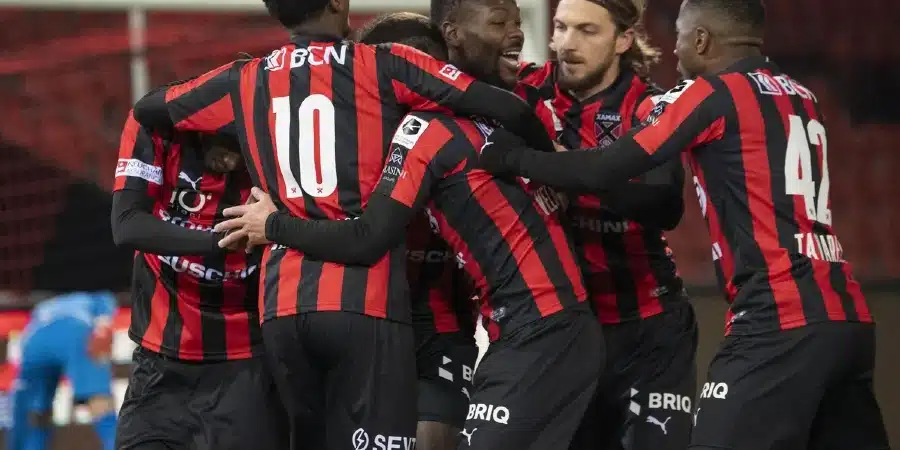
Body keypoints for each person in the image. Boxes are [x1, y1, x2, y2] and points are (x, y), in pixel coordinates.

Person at [129, 0, 557, 447]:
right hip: (364, 300)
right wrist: (547, 166)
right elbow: (509, 109)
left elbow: (150, 107)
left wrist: (223, 135)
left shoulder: (245, 79)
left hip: (282, 309)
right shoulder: (385, 64)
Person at [479, 0, 891, 448]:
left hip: (775, 317)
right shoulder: (802, 94)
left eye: (678, 36)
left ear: (701, 39)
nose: (673, 51)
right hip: (847, 317)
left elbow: (607, 170)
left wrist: (514, 159)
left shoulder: (711, 94)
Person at [515, 0, 697, 447]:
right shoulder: (523, 92)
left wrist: (569, 172)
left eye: (587, 31)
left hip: (648, 328)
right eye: (559, 28)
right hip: (563, 333)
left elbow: (665, 204)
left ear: (623, 40)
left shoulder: (649, 107)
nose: (567, 45)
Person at [110, 114, 288, 450]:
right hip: (159, 364)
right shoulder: (157, 130)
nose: (227, 154)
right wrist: (218, 242)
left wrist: (277, 224)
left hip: (244, 365)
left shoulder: (281, 156)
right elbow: (127, 225)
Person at [354, 14, 479, 450]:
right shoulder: (348, 144)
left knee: (435, 438)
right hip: (367, 320)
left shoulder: (464, 131)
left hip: (446, 321)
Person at [7, 291, 118, 450]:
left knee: (35, 412)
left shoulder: (44, 305)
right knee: (100, 402)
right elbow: (104, 319)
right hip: (75, 331)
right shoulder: (94, 296)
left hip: (34, 339)